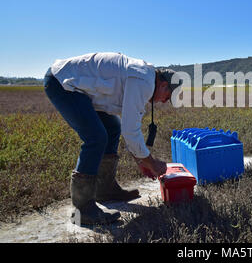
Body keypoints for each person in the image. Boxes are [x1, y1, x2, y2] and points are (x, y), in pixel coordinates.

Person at [43, 52, 178, 225]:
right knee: (96, 138)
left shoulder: (145, 78)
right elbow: (131, 131)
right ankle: (82, 209)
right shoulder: (144, 81)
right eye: (167, 97)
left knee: (112, 127)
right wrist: (151, 162)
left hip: (77, 88)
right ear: (164, 85)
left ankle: (104, 190)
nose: (165, 102)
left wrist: (141, 161)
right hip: (62, 83)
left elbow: (129, 128)